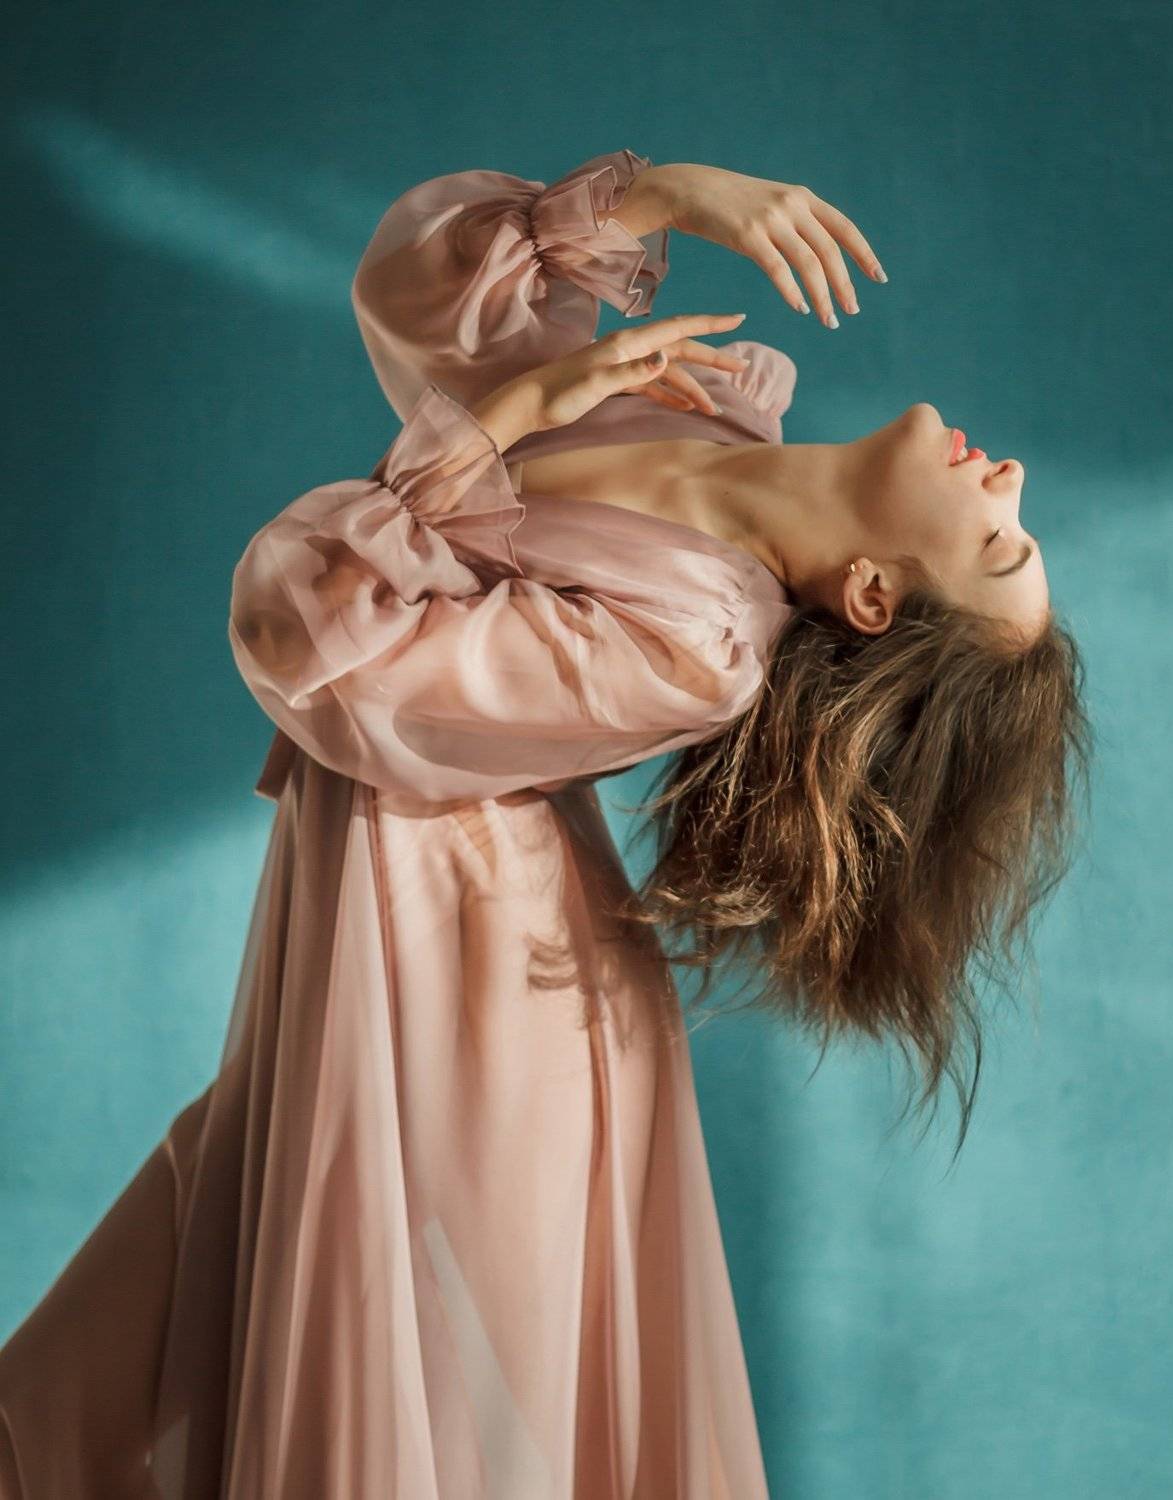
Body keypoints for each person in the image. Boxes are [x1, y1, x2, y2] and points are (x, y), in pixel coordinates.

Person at [0, 148, 1090, 1498]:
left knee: (344, 1420)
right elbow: (422, 300)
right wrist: (667, 197)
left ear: (871, 596)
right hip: (406, 949)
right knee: (69, 1403)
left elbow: (326, 648)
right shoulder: (703, 415)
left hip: (471, 986)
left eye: (998, 543)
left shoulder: (698, 641)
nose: (1011, 476)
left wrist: (506, 422)